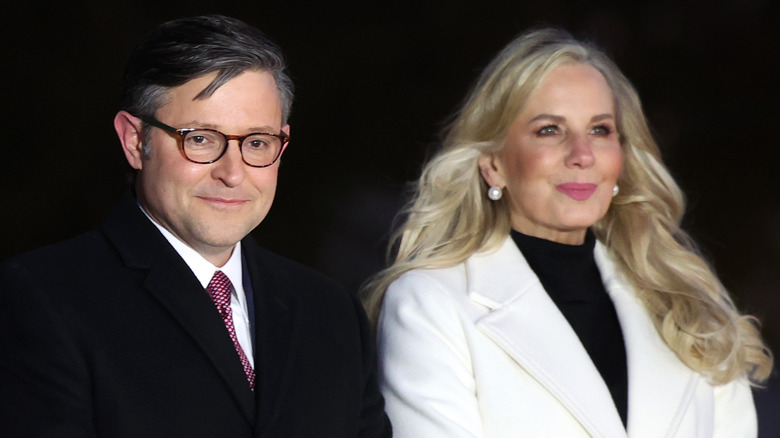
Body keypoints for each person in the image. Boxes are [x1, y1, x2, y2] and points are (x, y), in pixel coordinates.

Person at [363, 28, 772, 437]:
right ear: (494, 165)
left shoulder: (689, 307)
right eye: (549, 130)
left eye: (600, 130)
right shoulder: (430, 303)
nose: (582, 155)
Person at [0, 15, 390, 438]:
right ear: (135, 140)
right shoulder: (41, 300)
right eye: (201, 139)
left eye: (257, 142)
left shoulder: (332, 314)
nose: (233, 173)